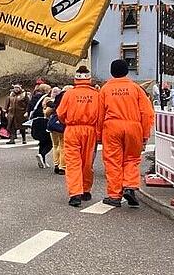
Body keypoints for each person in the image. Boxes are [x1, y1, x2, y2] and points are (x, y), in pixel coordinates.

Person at [99, 59, 155, 207]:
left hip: (112, 127)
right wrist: (145, 135)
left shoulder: (105, 89)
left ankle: (114, 195)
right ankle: (130, 186)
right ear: (126, 71)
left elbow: (99, 114)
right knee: (132, 159)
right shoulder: (135, 89)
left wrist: (99, 134)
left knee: (113, 161)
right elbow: (147, 113)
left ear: (112, 72)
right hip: (133, 127)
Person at [56, 67, 101, 207]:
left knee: (73, 162)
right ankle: (86, 190)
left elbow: (61, 113)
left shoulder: (69, 94)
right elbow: (101, 115)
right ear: (89, 79)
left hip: (73, 130)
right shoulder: (96, 94)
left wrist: (67, 122)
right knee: (87, 162)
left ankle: (75, 193)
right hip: (90, 130)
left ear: (76, 78)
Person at [29, 83, 53, 168]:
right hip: (44, 121)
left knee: (42, 141)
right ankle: (42, 154)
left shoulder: (34, 98)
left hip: (35, 122)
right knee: (50, 142)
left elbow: (29, 109)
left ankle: (42, 160)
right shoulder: (47, 98)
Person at [45, 87, 66, 175]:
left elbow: (47, 113)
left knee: (55, 145)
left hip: (53, 125)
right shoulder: (66, 101)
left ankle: (56, 164)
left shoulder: (55, 102)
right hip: (62, 125)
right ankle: (62, 166)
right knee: (63, 146)